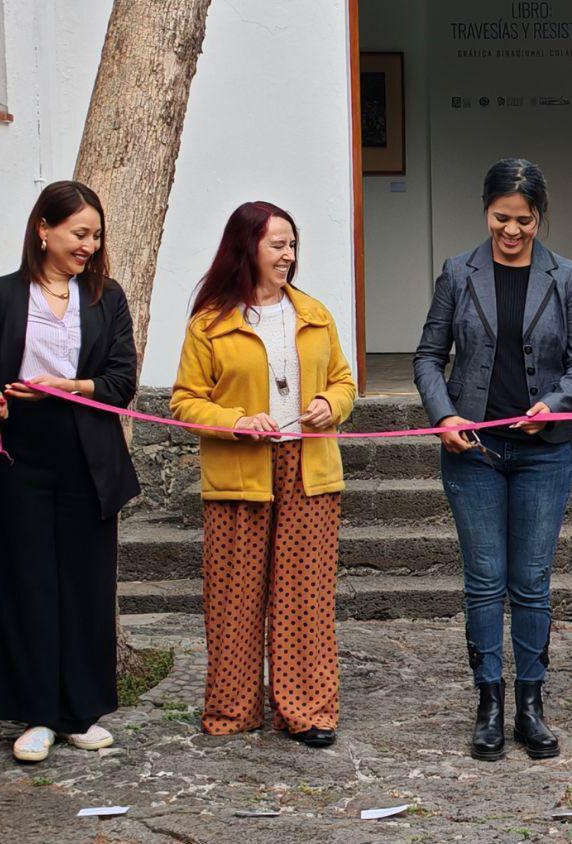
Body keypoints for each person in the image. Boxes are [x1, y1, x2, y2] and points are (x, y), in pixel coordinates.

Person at [414, 158, 572, 761]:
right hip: (475, 452)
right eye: (501, 219)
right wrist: (444, 416)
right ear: (485, 212)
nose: (511, 231)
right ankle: (489, 704)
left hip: (543, 454)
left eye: (523, 220)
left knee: (533, 584)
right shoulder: (457, 272)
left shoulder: (565, 275)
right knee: (485, 582)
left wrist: (555, 402)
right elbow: (427, 356)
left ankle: (531, 706)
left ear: (539, 217)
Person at [0, 180, 140, 762]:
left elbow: (121, 381)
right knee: (25, 582)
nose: (89, 244)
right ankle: (34, 714)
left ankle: (80, 712)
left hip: (87, 454)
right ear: (44, 229)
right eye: (79, 233)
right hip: (16, 454)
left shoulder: (108, 298)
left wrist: (71, 387)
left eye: (96, 235)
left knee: (85, 585)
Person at [170, 201, 356, 748]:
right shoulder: (210, 322)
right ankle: (233, 710)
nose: (288, 255)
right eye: (277, 244)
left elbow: (345, 381)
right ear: (246, 247)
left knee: (307, 596)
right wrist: (235, 421)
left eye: (292, 245)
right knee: (234, 596)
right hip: (239, 472)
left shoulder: (315, 314)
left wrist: (330, 403)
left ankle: (308, 711)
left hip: (309, 470)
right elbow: (184, 401)